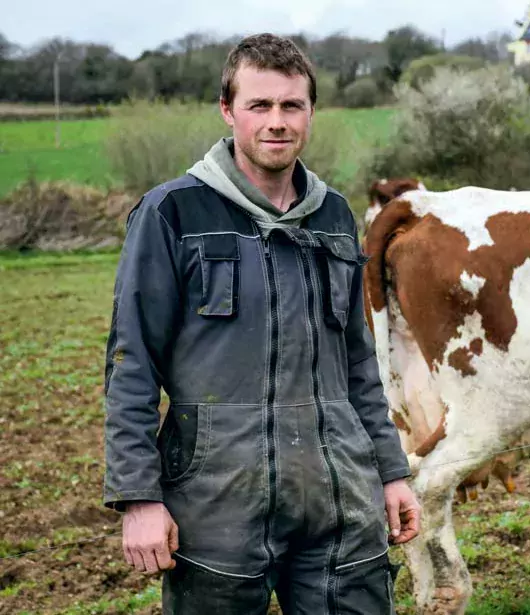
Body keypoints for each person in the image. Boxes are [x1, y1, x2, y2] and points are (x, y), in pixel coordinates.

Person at [102, 32, 420, 614]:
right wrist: (139, 498)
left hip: (338, 498)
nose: (277, 121)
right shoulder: (173, 212)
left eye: (291, 105)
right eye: (260, 105)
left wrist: (390, 473)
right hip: (217, 503)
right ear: (229, 111)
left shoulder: (331, 214)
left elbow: (357, 362)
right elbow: (132, 363)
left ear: (310, 113)